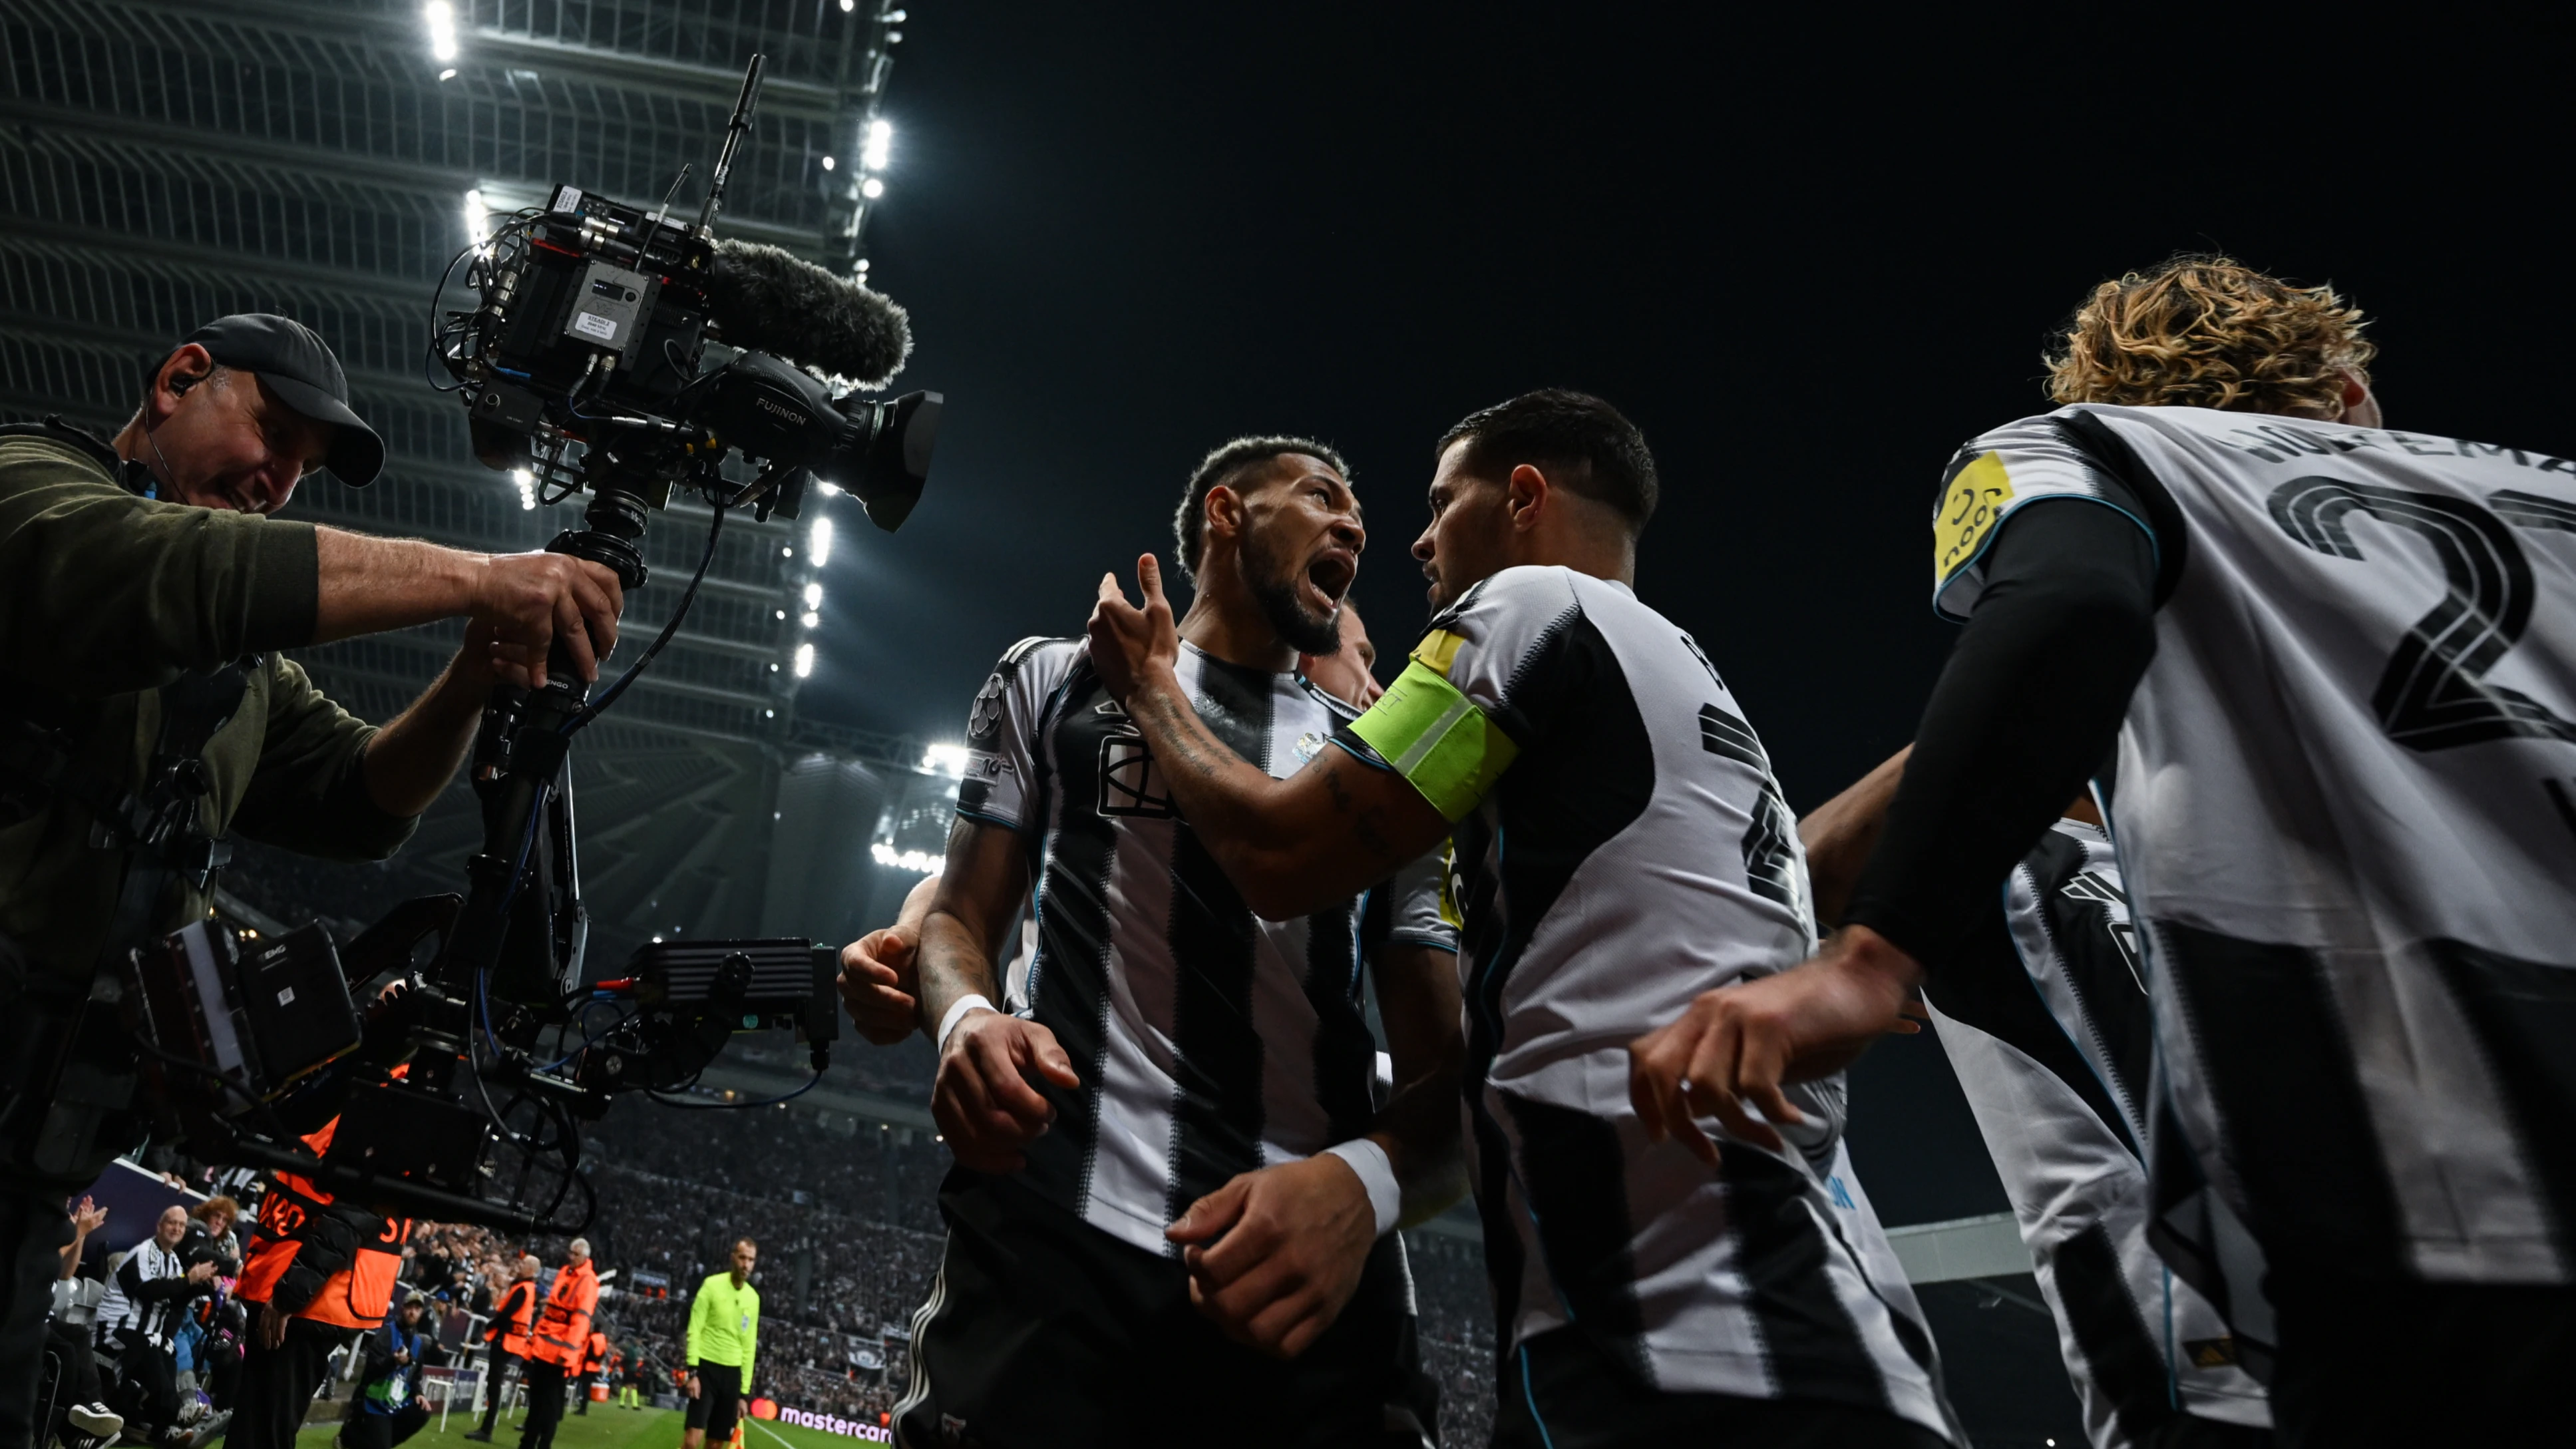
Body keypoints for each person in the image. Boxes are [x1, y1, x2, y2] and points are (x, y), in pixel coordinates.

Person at [1630, 257, 2576, 1446]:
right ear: (2343, 394)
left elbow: (2072, 607)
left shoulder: (2096, 447)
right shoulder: (2542, 494)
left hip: (2406, 1218)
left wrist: (1879, 952)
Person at [1085, 391, 1955, 1446]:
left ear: (1525, 498)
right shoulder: (1698, 696)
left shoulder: (1528, 607)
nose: (1412, 537)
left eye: (1441, 501)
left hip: (1671, 1336)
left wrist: (1151, 691)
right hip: (1824, 1314)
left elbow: (1280, 857)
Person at [0, 311, 628, 1449]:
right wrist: (480, 576)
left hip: (41, 1142)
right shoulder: (32, 483)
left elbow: (363, 800)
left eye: (304, 468)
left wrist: (473, 675)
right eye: (274, 433)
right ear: (180, 378)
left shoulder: (246, 676)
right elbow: (156, 574)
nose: (281, 479)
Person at [881, 435, 1461, 1449]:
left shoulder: (1383, 764)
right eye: (1323, 495)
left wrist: (1361, 1193)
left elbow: (1449, 1081)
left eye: (1358, 511)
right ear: (1227, 514)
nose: (1357, 525)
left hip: (1293, 1275)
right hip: (1054, 1241)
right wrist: (964, 1019)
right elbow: (961, 919)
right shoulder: (1050, 678)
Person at [1803, 753, 2273, 1448]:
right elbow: (1801, 874)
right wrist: (2026, 708)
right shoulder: (1991, 852)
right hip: (2181, 1327)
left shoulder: (2211, 869)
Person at [230, 1118, 413, 1449]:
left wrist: (293, 1291)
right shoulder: (372, 1096)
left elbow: (355, 1212)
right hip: (295, 1286)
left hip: (306, 1297)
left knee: (263, 1432)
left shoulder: (388, 1104)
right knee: (255, 1427)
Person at [94, 1205, 217, 1440]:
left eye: (181, 1225)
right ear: (159, 1226)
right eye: (172, 1223)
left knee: (167, 1357)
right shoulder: (143, 1251)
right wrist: (188, 1280)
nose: (177, 1228)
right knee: (152, 1353)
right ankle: (179, 1415)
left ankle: (164, 1429)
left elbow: (176, 1299)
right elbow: (150, 1290)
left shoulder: (173, 1262)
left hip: (145, 1336)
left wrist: (199, 1285)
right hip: (115, 1329)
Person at [47, 1196, 122, 1445]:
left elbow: (66, 1273)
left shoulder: (57, 1225)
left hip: (43, 1316)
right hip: (21, 1316)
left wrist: (80, 1235)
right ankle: (70, 1436)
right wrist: (76, 1231)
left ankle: (92, 1404)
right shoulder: (32, 1222)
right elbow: (39, 1262)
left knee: (79, 1334)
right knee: (66, 1353)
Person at [516, 1239, 596, 1449]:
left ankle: (544, 1444)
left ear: (585, 1257)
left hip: (559, 1351)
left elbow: (581, 1320)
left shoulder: (588, 1281)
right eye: (570, 1252)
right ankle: (527, 1443)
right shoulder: (566, 1272)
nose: (571, 1257)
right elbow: (553, 1308)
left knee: (550, 1404)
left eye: (575, 1254)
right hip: (544, 1345)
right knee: (536, 1399)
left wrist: (568, 1353)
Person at [682, 1240, 759, 1449]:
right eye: (743, 1258)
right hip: (706, 1370)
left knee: (716, 1444)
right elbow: (695, 1328)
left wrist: (744, 1394)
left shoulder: (753, 1298)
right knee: (691, 1442)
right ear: (733, 1257)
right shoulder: (711, 1285)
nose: (746, 1265)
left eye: (751, 1260)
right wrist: (693, 1372)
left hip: (732, 1376)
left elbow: (749, 1347)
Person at [341, 1293, 432, 1449]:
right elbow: (371, 1369)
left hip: (395, 1404)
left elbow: (416, 1377)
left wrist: (419, 1394)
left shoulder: (418, 1343)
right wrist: (393, 1361)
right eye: (410, 1307)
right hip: (373, 1402)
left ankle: (379, 1441)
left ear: (421, 1313)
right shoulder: (387, 1332)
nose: (412, 1312)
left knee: (422, 1412)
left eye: (417, 1309)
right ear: (402, 1308)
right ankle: (349, 1435)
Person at [464, 1255, 540, 1442]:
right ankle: (486, 1427)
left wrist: (490, 1327)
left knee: (494, 1384)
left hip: (505, 1339)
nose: (520, 1266)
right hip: (512, 1340)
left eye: (523, 1264)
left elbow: (506, 1314)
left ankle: (487, 1429)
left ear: (531, 1269)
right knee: (495, 1383)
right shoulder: (528, 1288)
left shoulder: (523, 1288)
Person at [572, 1327, 608, 1415]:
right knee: (587, 1387)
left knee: (585, 1387)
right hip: (596, 1367)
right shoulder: (603, 1339)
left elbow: (588, 1352)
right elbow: (604, 1352)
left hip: (588, 1366)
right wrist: (598, 1360)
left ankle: (583, 1408)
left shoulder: (592, 1338)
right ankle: (584, 1407)